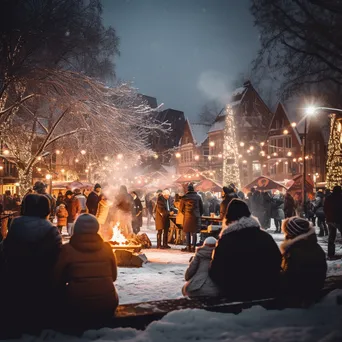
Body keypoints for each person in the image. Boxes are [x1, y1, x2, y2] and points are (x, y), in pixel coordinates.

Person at [1, 194, 62, 329]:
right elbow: (58, 260)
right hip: (43, 287)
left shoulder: (15, 227)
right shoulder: (51, 231)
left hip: (14, 286)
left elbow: (6, 253)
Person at [209, 199, 282, 301]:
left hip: (235, 293)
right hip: (266, 290)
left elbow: (215, 271)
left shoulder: (226, 240)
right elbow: (278, 261)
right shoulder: (265, 237)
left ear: (228, 218)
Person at [53, 214, 118, 326]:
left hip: (77, 305)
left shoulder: (67, 250)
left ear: (76, 229)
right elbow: (114, 276)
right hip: (107, 303)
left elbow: (57, 279)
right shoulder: (107, 248)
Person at [280, 217, 327, 302]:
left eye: (286, 232)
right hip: (313, 289)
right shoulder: (312, 245)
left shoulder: (297, 251)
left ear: (292, 234)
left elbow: (291, 279)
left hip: (300, 295)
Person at [180, 184, 204, 252]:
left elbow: (181, 209)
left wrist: (186, 214)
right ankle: (193, 247)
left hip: (187, 218)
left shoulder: (184, 197)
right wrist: (198, 214)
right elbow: (201, 208)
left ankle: (188, 247)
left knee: (187, 232)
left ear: (188, 190)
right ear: (193, 189)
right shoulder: (198, 197)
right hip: (196, 217)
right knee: (194, 233)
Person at [323, 185, 342, 259]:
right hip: (339, 219)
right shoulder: (340, 198)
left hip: (330, 219)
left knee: (331, 236)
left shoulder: (328, 198)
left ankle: (331, 253)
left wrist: (328, 216)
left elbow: (325, 208)